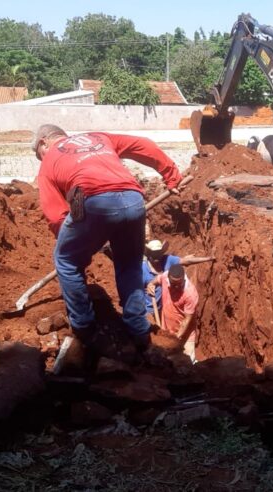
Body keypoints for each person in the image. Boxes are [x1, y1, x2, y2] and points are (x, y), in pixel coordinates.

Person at [34, 124, 183, 350]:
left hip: (95, 202)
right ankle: (138, 328)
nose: (40, 159)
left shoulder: (48, 162)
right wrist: (171, 175)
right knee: (129, 264)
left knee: (65, 261)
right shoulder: (98, 137)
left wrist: (79, 243)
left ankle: (84, 328)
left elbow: (56, 217)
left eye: (38, 154)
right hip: (133, 200)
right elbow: (143, 145)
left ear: (44, 142)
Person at [142, 239, 214, 318]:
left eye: (158, 253)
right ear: (148, 254)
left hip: (166, 309)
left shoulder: (167, 260)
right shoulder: (143, 269)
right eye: (154, 254)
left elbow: (186, 261)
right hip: (150, 312)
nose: (157, 256)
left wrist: (208, 258)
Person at [146, 264, 199, 363]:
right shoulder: (165, 277)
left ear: (183, 278)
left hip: (185, 335)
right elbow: (157, 279)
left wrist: (174, 340)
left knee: (188, 364)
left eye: (178, 283)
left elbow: (186, 321)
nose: (175, 286)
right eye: (173, 283)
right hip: (166, 329)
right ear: (168, 278)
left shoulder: (190, 294)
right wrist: (151, 285)